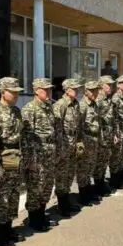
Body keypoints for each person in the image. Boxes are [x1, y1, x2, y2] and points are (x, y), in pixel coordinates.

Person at [0, 77, 26, 246]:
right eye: (13, 92)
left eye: (17, 92)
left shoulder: (16, 111)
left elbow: (21, 137)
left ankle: (9, 230)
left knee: (13, 197)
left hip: (16, 160)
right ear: (2, 92)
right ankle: (1, 236)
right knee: (2, 199)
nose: (16, 95)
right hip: (3, 160)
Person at [22, 78, 60, 231]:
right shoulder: (29, 109)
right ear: (36, 90)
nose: (49, 92)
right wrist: (30, 159)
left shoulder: (49, 107)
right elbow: (26, 137)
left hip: (49, 152)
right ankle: (34, 219)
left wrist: (57, 150)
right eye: (46, 90)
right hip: (37, 155)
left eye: (50, 89)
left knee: (46, 186)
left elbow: (56, 131)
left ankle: (41, 215)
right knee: (36, 187)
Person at [53, 78, 84, 217]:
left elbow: (78, 125)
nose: (76, 91)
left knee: (70, 173)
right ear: (66, 90)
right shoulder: (61, 105)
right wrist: (60, 149)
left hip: (73, 142)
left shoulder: (76, 104)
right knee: (62, 175)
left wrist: (79, 141)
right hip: (64, 143)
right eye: (74, 89)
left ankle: (66, 202)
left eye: (77, 89)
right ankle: (61, 206)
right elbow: (57, 128)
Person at [77, 80, 102, 205]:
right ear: (86, 92)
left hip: (94, 140)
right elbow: (78, 125)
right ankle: (83, 196)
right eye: (93, 91)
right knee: (83, 169)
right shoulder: (82, 105)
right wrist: (80, 143)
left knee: (90, 168)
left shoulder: (94, 104)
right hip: (86, 141)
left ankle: (88, 191)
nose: (95, 93)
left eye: (96, 90)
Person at [94, 75, 117, 197]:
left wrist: (114, 134)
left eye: (112, 85)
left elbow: (112, 119)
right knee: (99, 161)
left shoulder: (109, 99)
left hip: (108, 134)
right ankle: (98, 185)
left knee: (104, 160)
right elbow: (95, 121)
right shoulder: (97, 101)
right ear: (102, 86)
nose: (111, 87)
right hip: (100, 136)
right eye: (109, 85)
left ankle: (101, 182)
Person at [109, 75, 123, 190]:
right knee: (116, 155)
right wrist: (115, 133)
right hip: (118, 130)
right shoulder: (115, 98)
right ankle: (114, 180)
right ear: (118, 85)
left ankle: (121, 176)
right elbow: (112, 118)